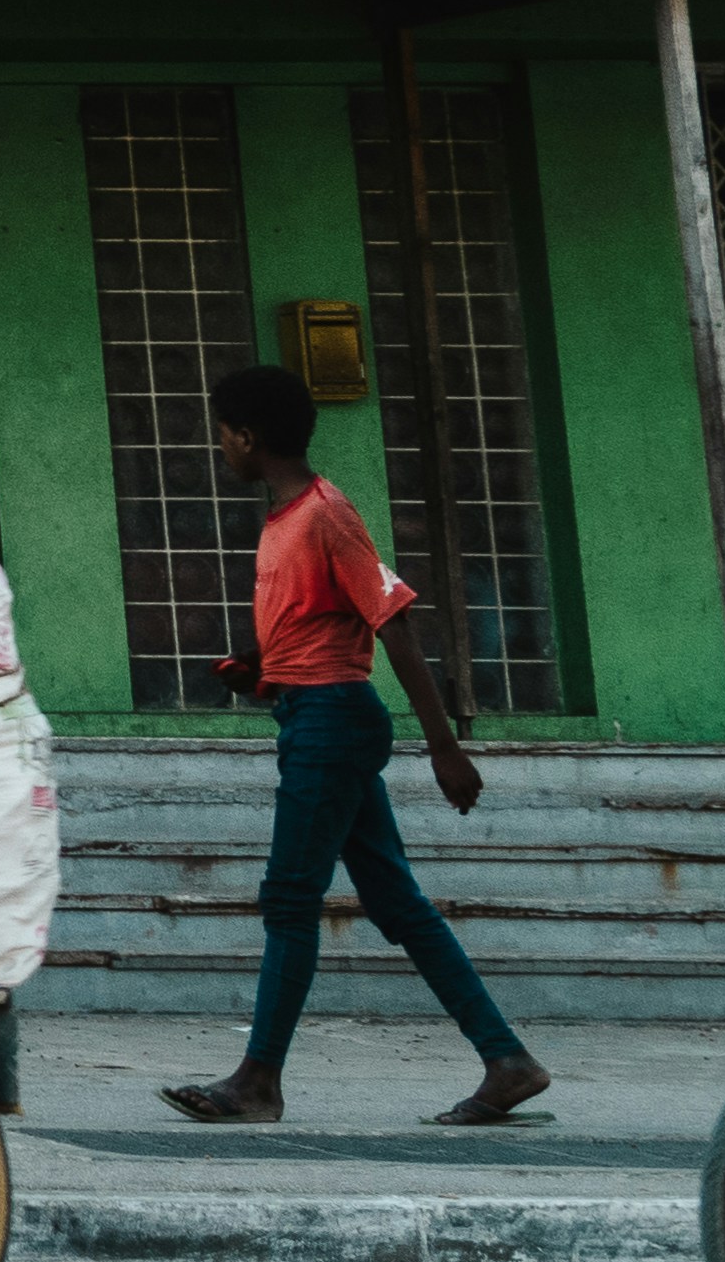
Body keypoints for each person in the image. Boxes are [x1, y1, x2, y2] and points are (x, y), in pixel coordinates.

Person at [158, 363, 551, 1129]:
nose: (220, 447)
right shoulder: (283, 519)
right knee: (394, 899)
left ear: (247, 435)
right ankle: (506, 1060)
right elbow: (313, 629)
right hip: (312, 712)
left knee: (288, 898)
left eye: (222, 433)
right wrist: (260, 670)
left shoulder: (324, 513)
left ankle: (257, 1081)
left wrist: (443, 746)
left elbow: (391, 623)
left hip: (331, 721)